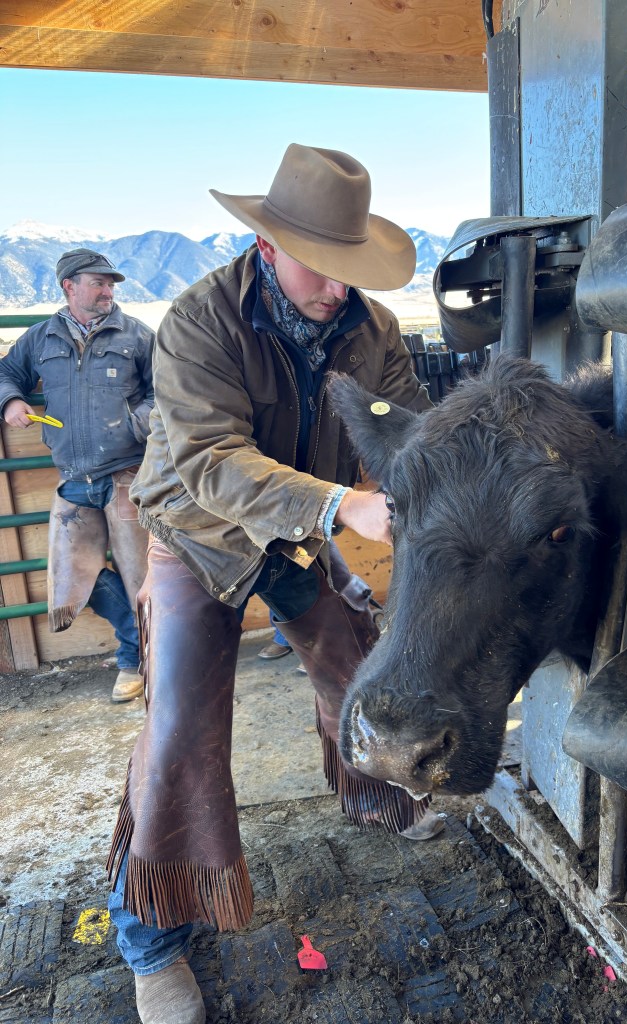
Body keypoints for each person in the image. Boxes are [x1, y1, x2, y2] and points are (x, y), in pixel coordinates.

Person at [105, 143, 442, 1024]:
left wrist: (429, 482)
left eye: (347, 266)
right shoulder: (199, 321)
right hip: (199, 534)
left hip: (297, 530)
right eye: (318, 265)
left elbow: (402, 426)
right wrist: (341, 505)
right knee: (181, 730)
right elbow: (211, 461)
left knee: (356, 660)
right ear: (266, 247)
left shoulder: (372, 329)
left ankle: (380, 794)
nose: (336, 286)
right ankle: (153, 942)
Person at [0, 249, 154, 703]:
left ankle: (136, 661)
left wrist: (135, 423)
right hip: (73, 477)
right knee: (69, 578)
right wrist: (11, 400)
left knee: (140, 575)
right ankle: (139, 644)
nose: (108, 291)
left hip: (127, 476)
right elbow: (6, 372)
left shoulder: (137, 335)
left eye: (110, 284)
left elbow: (166, 391)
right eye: (98, 282)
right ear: (69, 286)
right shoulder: (40, 337)